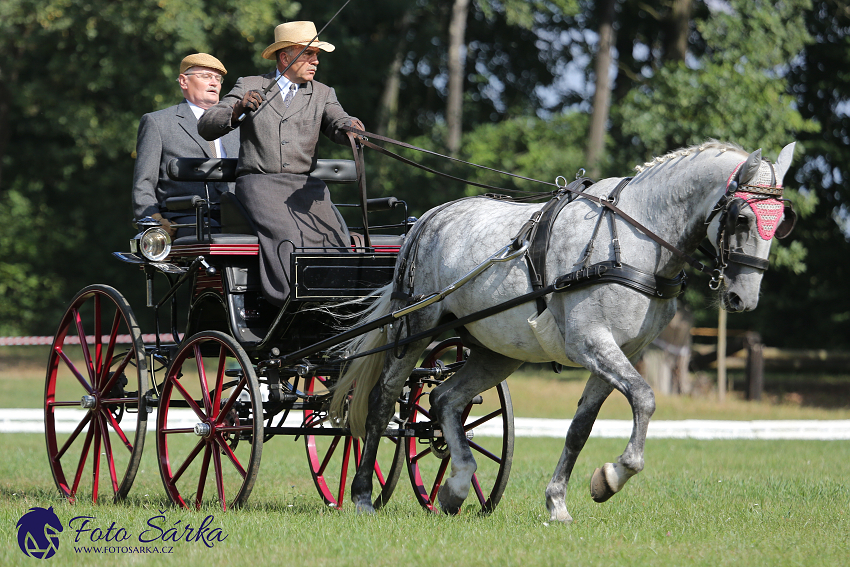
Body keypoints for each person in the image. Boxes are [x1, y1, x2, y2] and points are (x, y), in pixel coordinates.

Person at [198, 21, 365, 307]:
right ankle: (290, 301)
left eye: (317, 55)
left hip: (306, 189)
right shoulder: (250, 85)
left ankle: (337, 304)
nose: (316, 61)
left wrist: (350, 127)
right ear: (286, 57)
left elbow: (337, 122)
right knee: (289, 236)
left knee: (336, 239)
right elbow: (207, 124)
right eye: (309, 53)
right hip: (260, 184)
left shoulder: (323, 93)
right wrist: (237, 110)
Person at [132, 53, 240, 239]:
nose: (214, 83)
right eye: (206, 76)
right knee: (210, 234)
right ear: (183, 81)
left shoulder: (236, 126)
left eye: (218, 78)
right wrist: (155, 220)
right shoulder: (159, 123)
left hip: (237, 216)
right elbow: (144, 183)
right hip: (185, 218)